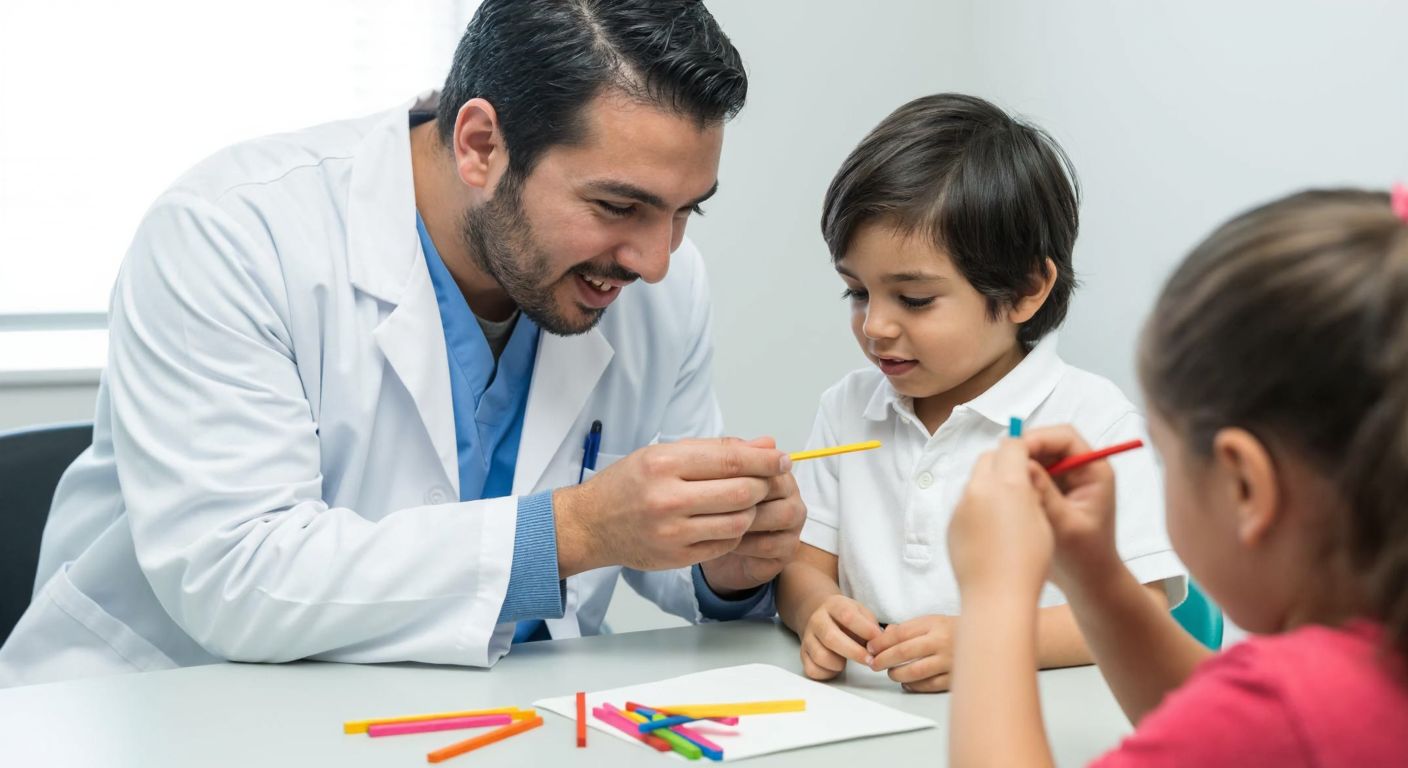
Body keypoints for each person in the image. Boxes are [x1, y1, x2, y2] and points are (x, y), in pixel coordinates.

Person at [0, 0, 807, 688]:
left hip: (486, 717)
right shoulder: (232, 235)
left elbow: (651, 535)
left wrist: (718, 565)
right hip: (170, 709)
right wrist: (578, 530)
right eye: (617, 205)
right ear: (481, 145)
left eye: (685, 210)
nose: (657, 261)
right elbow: (236, 577)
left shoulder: (654, 283)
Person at [947, 187, 1408, 765]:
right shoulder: (1346, 685)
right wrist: (1094, 575)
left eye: (1165, 455)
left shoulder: (1293, 708)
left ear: (1245, 487)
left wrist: (995, 593)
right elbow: (1226, 737)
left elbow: (1259, 722)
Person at [776, 94, 1184, 692]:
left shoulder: (1090, 423)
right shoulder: (847, 408)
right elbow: (803, 566)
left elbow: (1144, 604)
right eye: (857, 292)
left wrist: (987, 641)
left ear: (1025, 290)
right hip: (873, 718)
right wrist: (816, 611)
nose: (876, 326)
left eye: (914, 299)